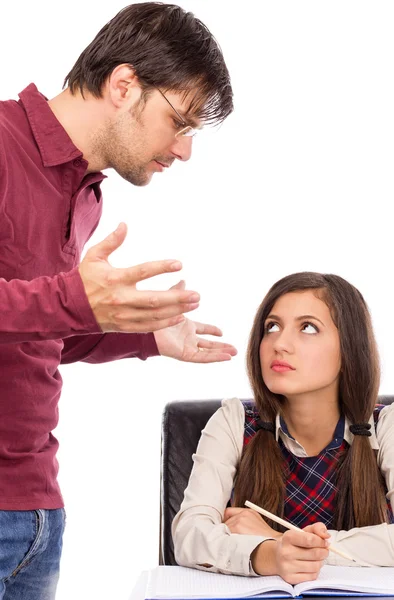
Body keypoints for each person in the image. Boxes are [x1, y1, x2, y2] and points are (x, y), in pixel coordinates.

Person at [0, 3, 236, 598]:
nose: (184, 151)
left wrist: (144, 335)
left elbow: (39, 326)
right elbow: (53, 303)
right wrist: (72, 298)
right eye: (179, 122)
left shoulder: (86, 193)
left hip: (35, 515)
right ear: (124, 84)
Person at [172, 272, 394, 583]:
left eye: (308, 328)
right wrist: (269, 555)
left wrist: (279, 539)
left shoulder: (385, 426)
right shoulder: (234, 421)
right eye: (272, 327)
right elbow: (189, 535)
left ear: (349, 349)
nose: (280, 344)